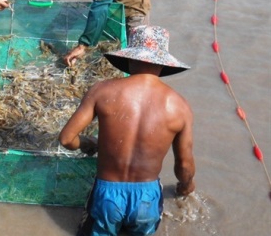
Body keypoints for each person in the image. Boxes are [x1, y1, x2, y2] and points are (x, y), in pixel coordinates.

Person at [59, 25, 195, 236]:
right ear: (163, 63)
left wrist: (87, 143)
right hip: (146, 198)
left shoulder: (103, 90)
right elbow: (184, 165)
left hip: (107, 194)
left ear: (130, 58)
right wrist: (185, 186)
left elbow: (67, 139)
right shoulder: (179, 106)